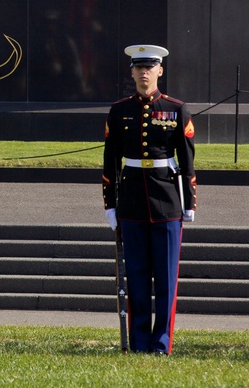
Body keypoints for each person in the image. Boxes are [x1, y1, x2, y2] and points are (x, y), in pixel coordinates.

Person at [103, 44, 196, 355]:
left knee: (166, 281)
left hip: (167, 201)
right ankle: (140, 342)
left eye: (150, 67)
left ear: (160, 70)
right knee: (138, 278)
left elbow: (187, 161)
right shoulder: (118, 111)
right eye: (138, 67)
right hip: (130, 201)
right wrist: (110, 204)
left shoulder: (176, 109)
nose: (144, 72)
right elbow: (110, 161)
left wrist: (190, 203)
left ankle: (161, 344)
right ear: (131, 72)